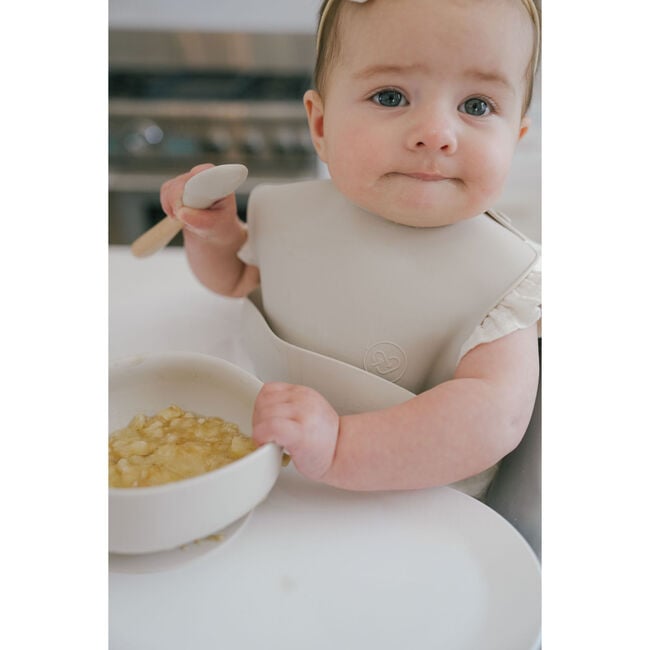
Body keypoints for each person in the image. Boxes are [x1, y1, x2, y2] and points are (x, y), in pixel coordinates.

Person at [158, 0, 542, 497]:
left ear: (515, 137)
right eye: (390, 96)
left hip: (419, 511)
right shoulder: (291, 216)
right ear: (320, 125)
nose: (435, 135)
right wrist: (210, 231)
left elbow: (493, 418)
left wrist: (341, 445)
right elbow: (235, 279)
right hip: (270, 473)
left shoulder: (505, 280)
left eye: (476, 106)